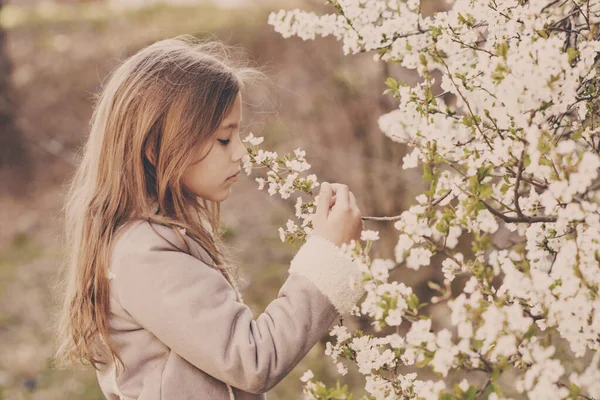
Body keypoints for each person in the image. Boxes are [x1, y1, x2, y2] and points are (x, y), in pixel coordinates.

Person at [52, 34, 366, 400]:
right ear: (156, 147)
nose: (241, 154)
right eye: (223, 139)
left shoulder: (159, 239)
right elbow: (253, 359)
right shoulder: (144, 254)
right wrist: (328, 257)